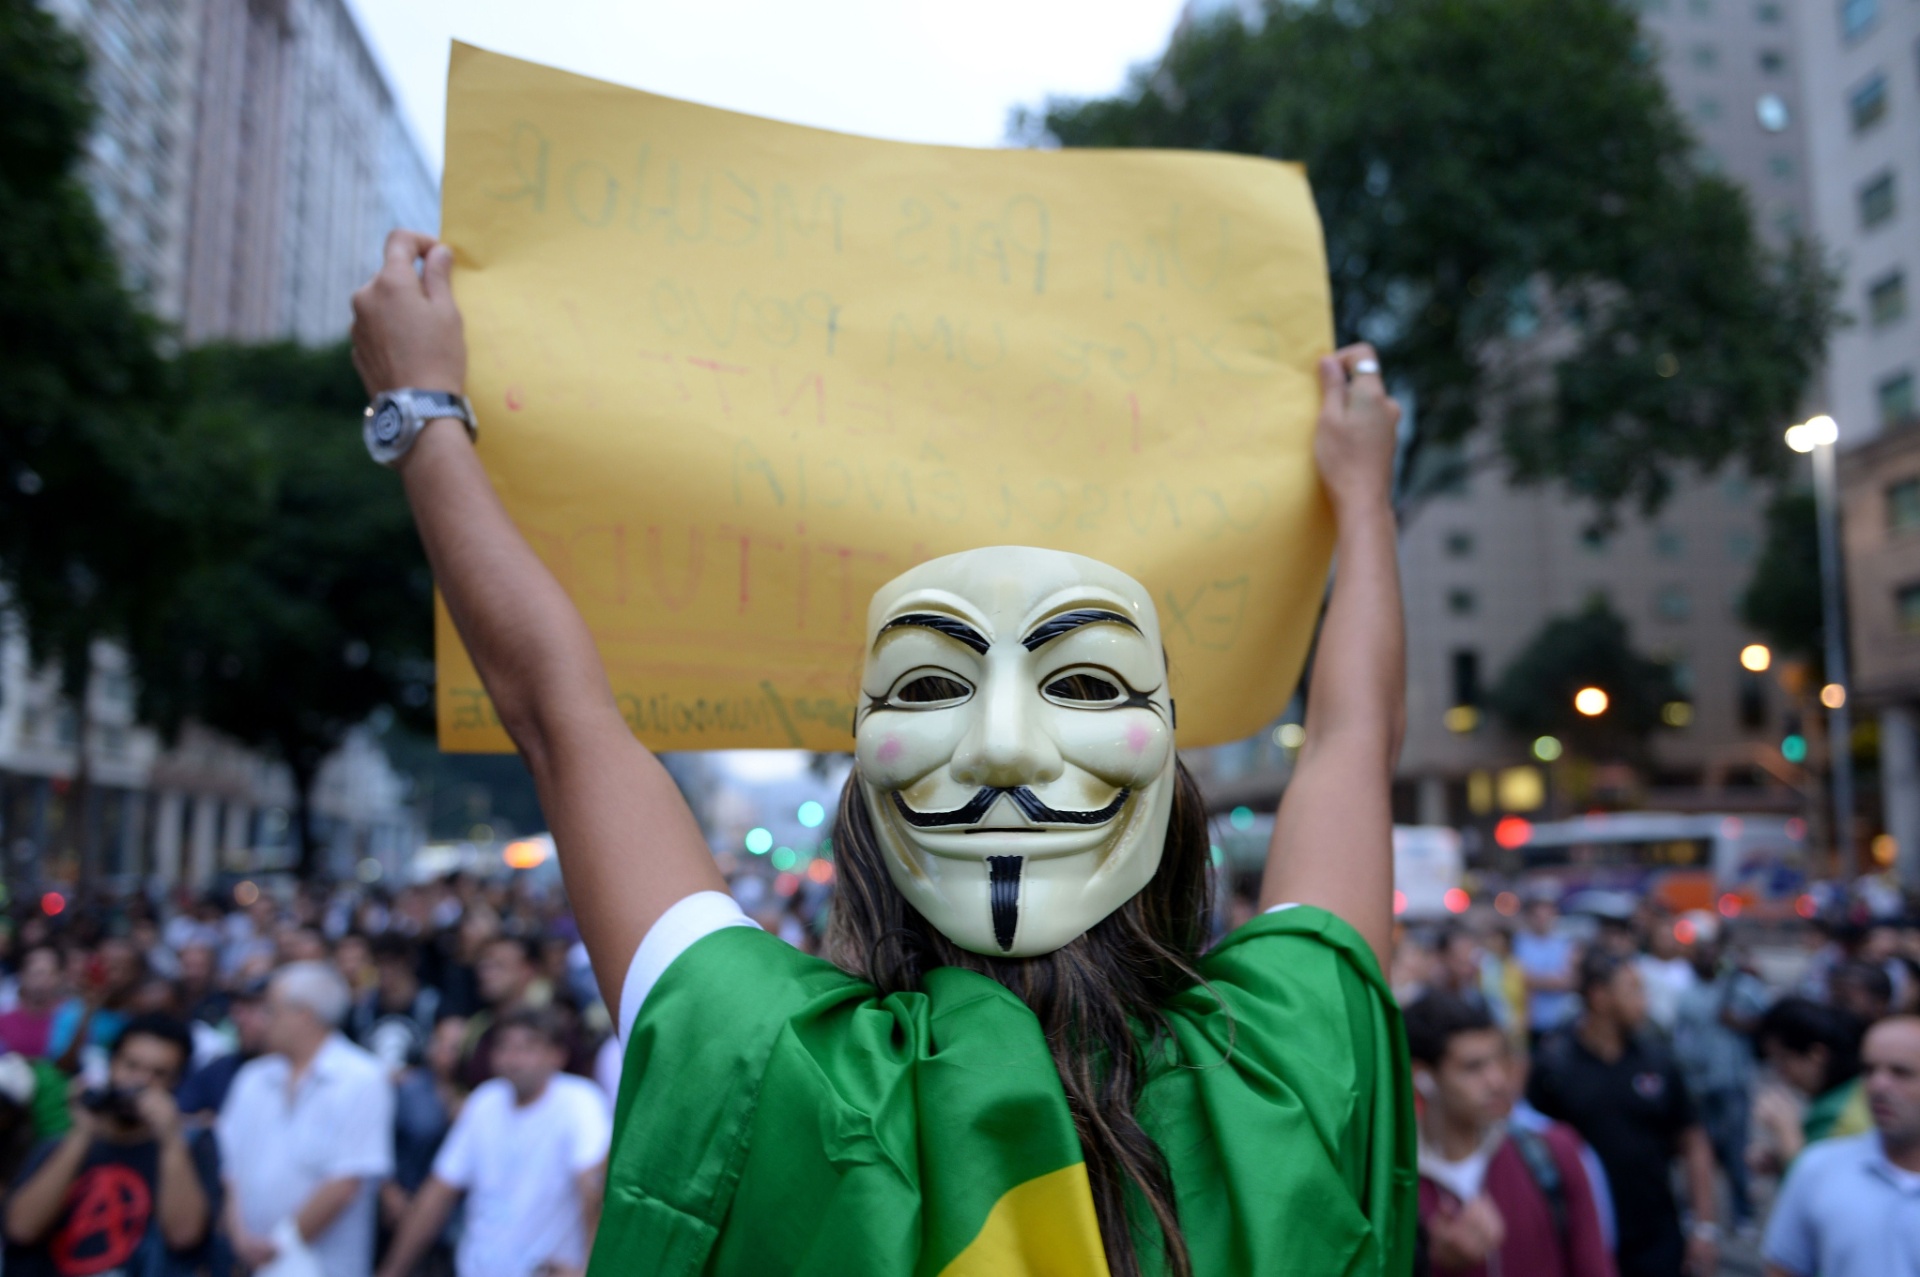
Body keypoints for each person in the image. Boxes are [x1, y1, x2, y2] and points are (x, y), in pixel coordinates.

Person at [351, 230, 1413, 1274]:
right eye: (932, 683)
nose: (1002, 747)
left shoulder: (768, 1066)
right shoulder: (1288, 1062)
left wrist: (423, 412)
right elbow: (1354, 742)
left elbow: (556, 711)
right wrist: (1362, 501)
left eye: (1083, 683)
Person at [377, 1009, 609, 1277]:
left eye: (527, 1047)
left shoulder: (580, 1101)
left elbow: (593, 1193)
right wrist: (391, 1271)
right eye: (504, 1047)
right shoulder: (484, 1101)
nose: (514, 1059)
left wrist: (589, 1272)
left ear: (557, 1055)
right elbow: (437, 1193)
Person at [1528, 950, 1718, 1277]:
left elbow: (1693, 1140)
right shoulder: (1554, 1065)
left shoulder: (1658, 1060)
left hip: (1655, 1236)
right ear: (1600, 997)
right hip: (1580, 1237)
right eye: (1633, 990)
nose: (1644, 1001)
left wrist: (1704, 1227)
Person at [1406, 993, 1614, 1277]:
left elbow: (1594, 1267)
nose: (1497, 1080)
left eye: (1500, 1060)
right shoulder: (1396, 1181)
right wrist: (1432, 1262)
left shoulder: (1552, 1151)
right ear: (1422, 1076)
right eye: (1473, 1067)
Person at [1, 1014, 215, 1277]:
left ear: (176, 1082)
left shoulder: (188, 1151)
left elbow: (184, 1237)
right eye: (131, 1066)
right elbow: (22, 1229)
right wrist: (82, 1133)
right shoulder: (61, 1142)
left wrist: (171, 1138)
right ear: (112, 1065)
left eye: (159, 1074)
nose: (141, 1082)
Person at [216, 961, 394, 1277]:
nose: (261, 1020)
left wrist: (277, 1248)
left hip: (325, 1266)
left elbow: (346, 1181)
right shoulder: (253, 1077)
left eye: (270, 1010)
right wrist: (240, 1238)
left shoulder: (362, 1077)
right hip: (248, 1261)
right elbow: (230, 1169)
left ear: (304, 1015)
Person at [1760, 1015, 1920, 1276]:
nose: (1878, 1085)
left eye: (1901, 1072)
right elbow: (1782, 1268)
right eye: (1869, 1070)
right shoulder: (1818, 1167)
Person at [1670, 924, 1767, 1234]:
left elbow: (1765, 1022)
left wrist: (1737, 1020)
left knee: (1737, 1150)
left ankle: (1743, 1213)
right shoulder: (1687, 995)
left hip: (1733, 1082)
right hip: (1698, 1085)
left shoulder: (1740, 987)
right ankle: (1697, 1211)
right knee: (1699, 1152)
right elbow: (1680, 1037)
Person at [1753, 997, 1870, 1166]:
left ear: (1817, 1055)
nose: (1781, 1073)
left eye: (1783, 1059)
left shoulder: (1834, 1114)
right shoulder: (1851, 1092)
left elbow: (1819, 1189)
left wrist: (1788, 1136)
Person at [1513, 892, 1579, 1042]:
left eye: (1547, 914)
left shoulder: (1565, 943)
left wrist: (1536, 980)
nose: (1542, 920)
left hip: (1559, 1020)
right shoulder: (1518, 942)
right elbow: (1520, 978)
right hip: (1528, 1021)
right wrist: (1553, 981)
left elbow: (1570, 980)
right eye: (1538, 915)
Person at [0, 948, 62, 1059]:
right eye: (37, 974)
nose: (43, 981)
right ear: (22, 976)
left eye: (50, 975)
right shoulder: (4, 1020)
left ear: (58, 978)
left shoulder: (70, 1018)